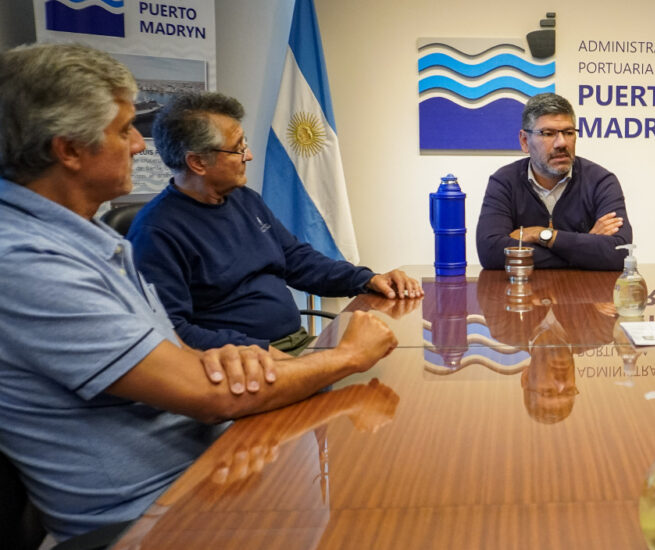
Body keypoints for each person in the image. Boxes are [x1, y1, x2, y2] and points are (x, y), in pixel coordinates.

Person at [0, 43, 398, 542]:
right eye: (124, 130)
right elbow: (205, 393)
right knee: (371, 514)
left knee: (364, 486)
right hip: (150, 514)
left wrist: (239, 366)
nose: (140, 146)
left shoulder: (88, 235)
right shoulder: (28, 262)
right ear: (69, 149)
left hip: (213, 456)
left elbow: (185, 357)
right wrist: (346, 357)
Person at [126, 91, 420, 356]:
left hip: (294, 345)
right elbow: (173, 332)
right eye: (238, 149)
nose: (249, 156)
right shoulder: (157, 231)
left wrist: (366, 279)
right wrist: (260, 352)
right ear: (198, 163)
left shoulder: (244, 199)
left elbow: (297, 260)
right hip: (244, 364)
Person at [476, 92, 632, 270]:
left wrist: (541, 234)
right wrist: (584, 249)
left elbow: (620, 252)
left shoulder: (601, 181)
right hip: (523, 293)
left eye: (568, 132)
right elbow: (490, 252)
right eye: (548, 133)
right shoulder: (504, 181)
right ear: (525, 141)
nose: (562, 143)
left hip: (586, 295)